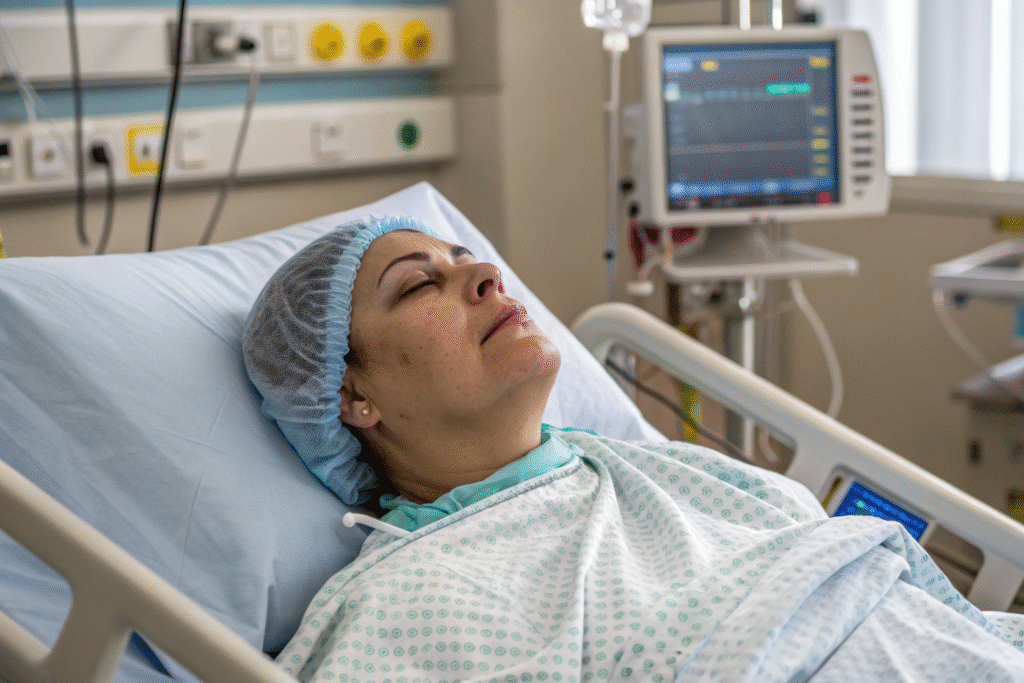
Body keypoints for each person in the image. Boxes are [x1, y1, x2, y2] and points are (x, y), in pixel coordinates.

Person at [243, 217, 1024, 683]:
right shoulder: (402, 602)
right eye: (420, 285)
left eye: (464, 257)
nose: (484, 271)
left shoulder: (664, 469)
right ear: (353, 396)